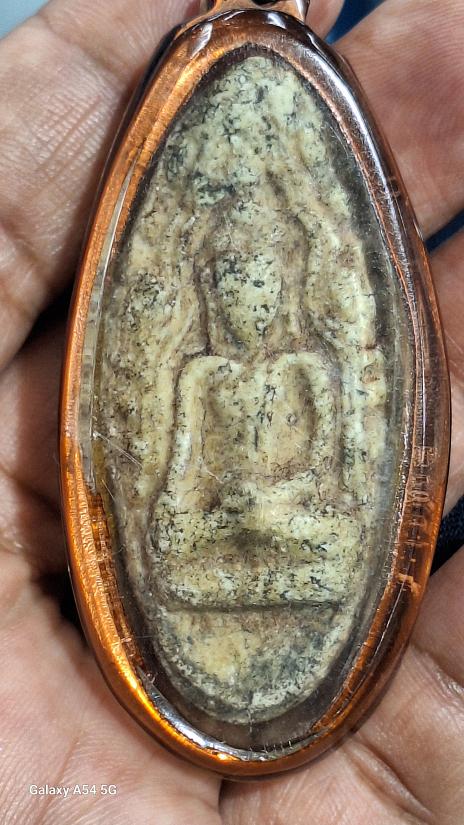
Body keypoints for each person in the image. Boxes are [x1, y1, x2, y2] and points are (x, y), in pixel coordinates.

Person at [0, 0, 462, 821]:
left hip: (297, 537)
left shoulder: (308, 372)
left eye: (258, 285)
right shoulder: (199, 377)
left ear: (284, 289)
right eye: (226, 286)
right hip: (210, 548)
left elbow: (340, 495)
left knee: (328, 542)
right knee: (169, 547)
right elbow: (175, 496)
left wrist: (277, 506)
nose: (241, 304)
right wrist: (214, 513)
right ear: (208, 292)